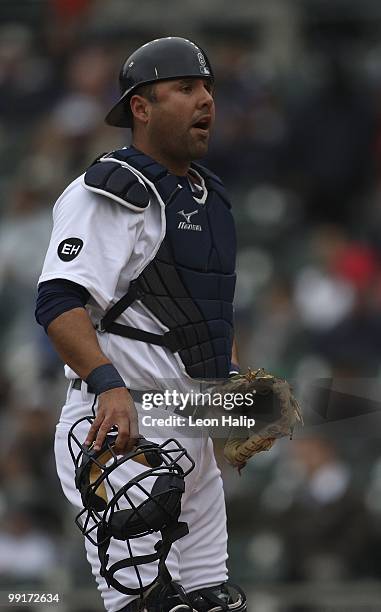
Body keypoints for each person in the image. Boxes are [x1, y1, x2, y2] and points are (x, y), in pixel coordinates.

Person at [35, 37, 245, 612]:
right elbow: (58, 304)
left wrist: (229, 394)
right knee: (151, 606)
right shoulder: (109, 191)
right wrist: (108, 384)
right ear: (140, 107)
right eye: (184, 88)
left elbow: (204, 315)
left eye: (207, 88)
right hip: (122, 430)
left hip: (190, 425)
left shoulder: (207, 196)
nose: (204, 100)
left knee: (213, 603)